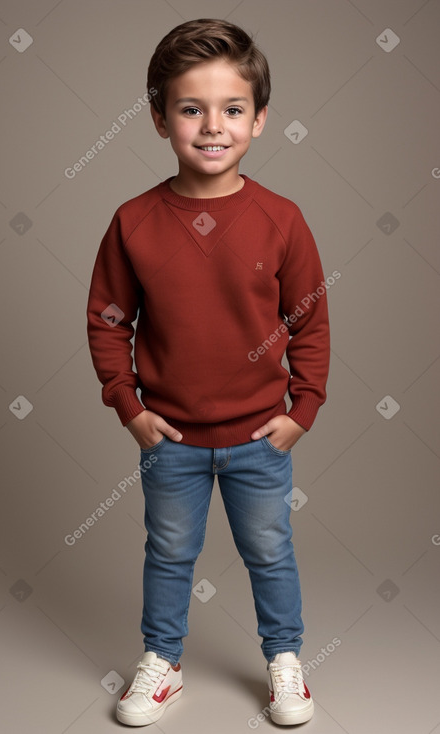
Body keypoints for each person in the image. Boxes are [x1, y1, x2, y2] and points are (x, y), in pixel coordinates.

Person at [86, 18, 330, 728]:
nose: (211, 126)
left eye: (231, 109)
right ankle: (161, 666)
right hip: (171, 439)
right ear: (160, 117)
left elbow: (309, 320)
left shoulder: (281, 219)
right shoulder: (133, 221)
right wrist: (128, 408)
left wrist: (302, 409)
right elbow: (108, 321)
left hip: (261, 436)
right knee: (167, 554)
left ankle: (285, 662)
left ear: (259, 119)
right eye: (191, 108)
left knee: (268, 552)